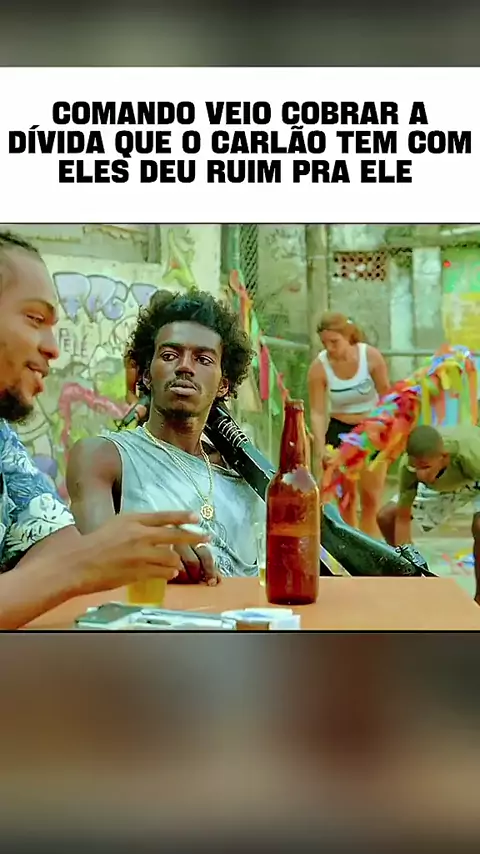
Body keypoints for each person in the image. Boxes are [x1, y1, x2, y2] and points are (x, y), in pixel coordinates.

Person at [0, 230, 211, 629]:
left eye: (204, 359)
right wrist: (85, 563)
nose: (53, 347)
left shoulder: (2, 443)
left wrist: (132, 548)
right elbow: (71, 564)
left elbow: (56, 547)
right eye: (34, 319)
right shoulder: (104, 453)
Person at [66, 289, 265, 581]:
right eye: (170, 355)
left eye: (203, 359)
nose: (185, 367)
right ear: (147, 375)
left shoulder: (247, 476)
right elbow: (96, 557)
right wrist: (147, 548)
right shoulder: (104, 458)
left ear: (223, 384)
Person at [377, 423, 480, 604]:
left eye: (425, 468)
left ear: (444, 458)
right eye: (416, 468)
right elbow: (402, 517)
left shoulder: (469, 454)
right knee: (386, 517)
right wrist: (409, 562)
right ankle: (410, 579)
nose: (420, 475)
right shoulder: (410, 467)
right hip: (442, 486)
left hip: (474, 479)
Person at [307, 311, 390, 536]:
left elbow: (387, 397)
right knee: (346, 499)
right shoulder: (319, 367)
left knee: (371, 498)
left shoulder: (370, 357)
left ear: (348, 336)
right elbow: (317, 412)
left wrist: (381, 428)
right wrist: (320, 448)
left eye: (334, 342)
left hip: (371, 429)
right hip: (340, 431)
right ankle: (351, 547)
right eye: (325, 343)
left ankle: (370, 548)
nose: (330, 348)